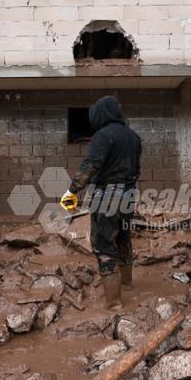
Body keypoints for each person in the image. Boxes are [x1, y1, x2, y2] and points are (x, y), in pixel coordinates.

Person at [60, 96, 141, 310]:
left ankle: (114, 304)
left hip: (107, 197)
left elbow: (91, 164)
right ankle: (127, 286)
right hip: (129, 194)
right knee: (123, 239)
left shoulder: (103, 136)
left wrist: (72, 190)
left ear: (101, 115)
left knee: (104, 246)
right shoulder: (133, 137)